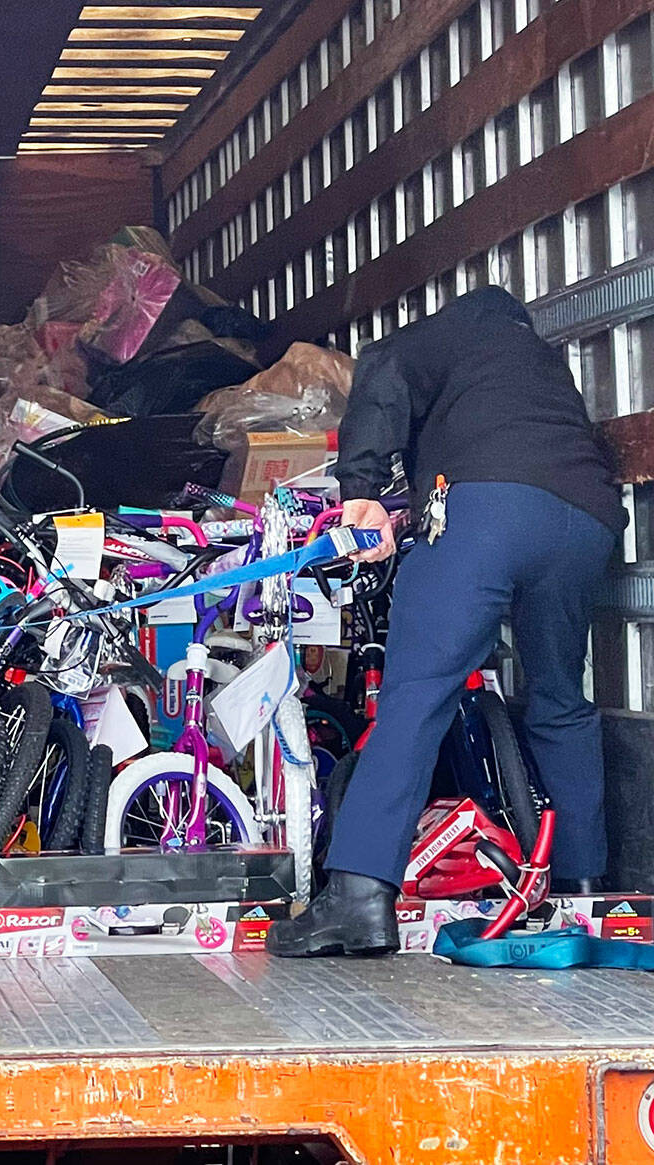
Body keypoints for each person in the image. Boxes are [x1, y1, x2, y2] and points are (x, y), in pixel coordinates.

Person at [267, 286, 626, 958]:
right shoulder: (543, 366)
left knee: (418, 696)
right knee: (560, 699)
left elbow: (383, 368)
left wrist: (361, 491)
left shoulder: (452, 333)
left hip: (486, 514)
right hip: (586, 522)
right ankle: (583, 889)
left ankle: (358, 898)